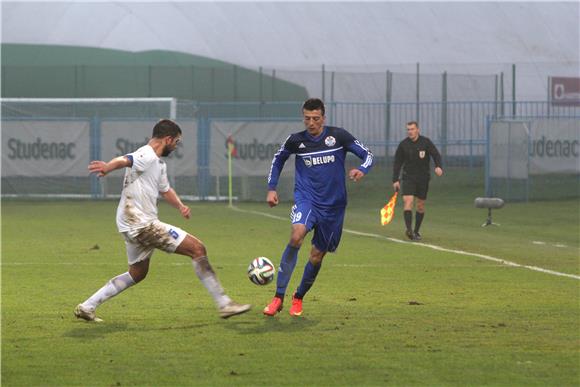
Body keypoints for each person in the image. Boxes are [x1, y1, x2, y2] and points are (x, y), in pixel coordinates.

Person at [75, 119, 251, 322]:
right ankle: (224, 304)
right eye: (176, 142)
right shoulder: (147, 154)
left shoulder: (158, 163)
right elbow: (125, 160)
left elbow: (165, 190)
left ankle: (87, 306)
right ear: (167, 139)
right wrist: (107, 167)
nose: (176, 146)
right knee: (197, 249)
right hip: (141, 224)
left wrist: (180, 207)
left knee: (137, 273)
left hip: (131, 223)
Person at [264, 98, 373, 317]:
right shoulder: (296, 140)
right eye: (307, 118)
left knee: (316, 256)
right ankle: (278, 297)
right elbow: (278, 159)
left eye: (315, 119)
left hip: (333, 207)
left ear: (323, 118)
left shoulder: (339, 137)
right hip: (307, 200)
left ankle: (298, 297)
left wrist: (362, 169)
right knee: (296, 236)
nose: (311, 123)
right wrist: (272, 187)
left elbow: (367, 155)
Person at [392, 121, 443, 241]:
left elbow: (436, 155)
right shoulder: (403, 145)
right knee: (408, 201)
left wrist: (438, 166)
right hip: (408, 177)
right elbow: (397, 163)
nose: (410, 131)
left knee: (420, 205)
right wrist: (395, 179)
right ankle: (409, 230)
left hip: (423, 178)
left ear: (417, 130)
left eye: (412, 129)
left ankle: (416, 230)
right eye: (408, 129)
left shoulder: (425, 142)